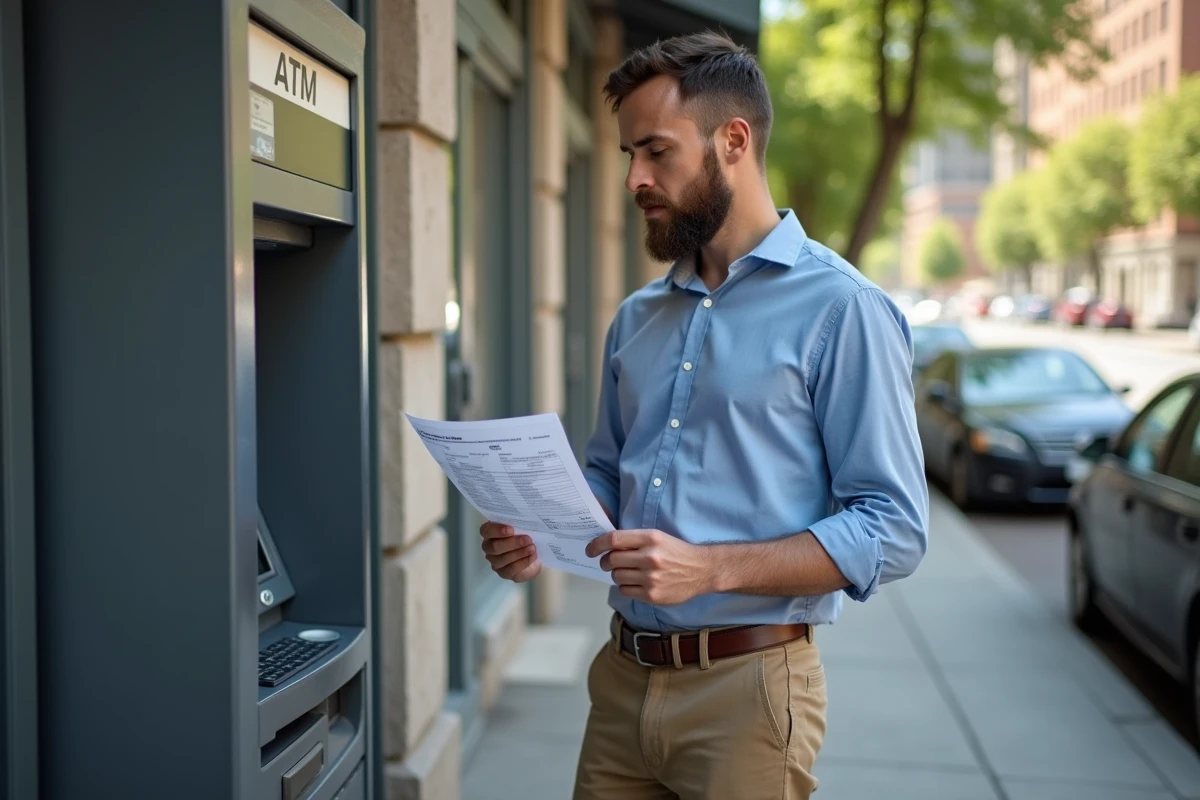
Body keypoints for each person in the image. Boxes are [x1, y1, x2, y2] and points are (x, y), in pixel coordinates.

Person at [478, 30, 928, 800]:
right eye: (629, 155)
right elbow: (607, 475)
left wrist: (711, 568)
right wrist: (540, 530)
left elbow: (892, 527)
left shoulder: (844, 309)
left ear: (733, 141)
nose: (634, 179)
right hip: (620, 685)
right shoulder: (636, 316)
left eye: (656, 152)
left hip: (748, 693)